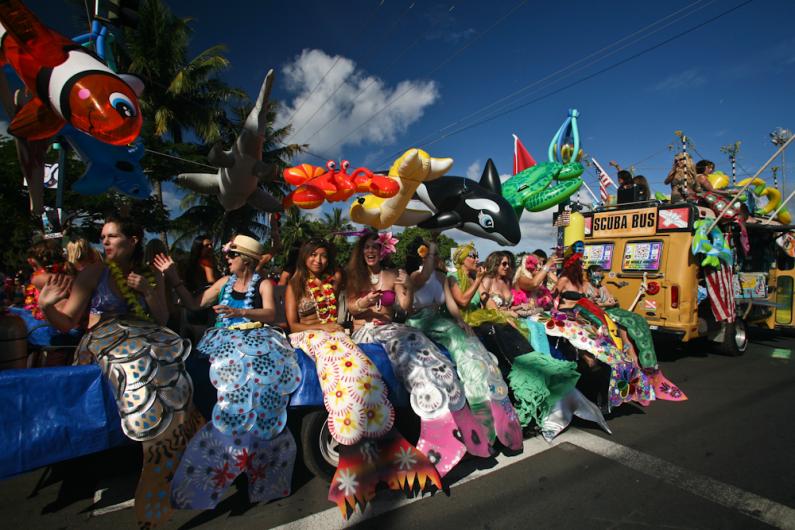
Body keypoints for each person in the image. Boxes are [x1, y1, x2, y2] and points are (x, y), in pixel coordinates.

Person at [37, 217, 197, 527]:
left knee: (172, 351)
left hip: (147, 334)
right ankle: (156, 447)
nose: (105, 243)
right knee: (135, 358)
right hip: (104, 340)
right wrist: (47, 308)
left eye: (112, 237)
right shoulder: (94, 272)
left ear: (133, 239)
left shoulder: (149, 274)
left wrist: (148, 292)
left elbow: (162, 318)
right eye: (103, 237)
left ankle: (173, 443)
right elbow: (68, 321)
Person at [285, 238, 441, 515]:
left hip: (334, 334)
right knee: (337, 370)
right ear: (304, 257)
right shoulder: (295, 284)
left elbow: (356, 277)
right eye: (313, 255)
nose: (319, 261)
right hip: (308, 336)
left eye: (323, 256)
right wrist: (326, 326)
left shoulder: (332, 281)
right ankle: (354, 448)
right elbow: (293, 323)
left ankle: (382, 442)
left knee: (362, 370)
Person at [155, 234, 302, 510]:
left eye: (232, 256)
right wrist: (173, 277)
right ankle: (225, 447)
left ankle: (256, 451)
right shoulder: (224, 283)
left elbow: (270, 313)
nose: (228, 259)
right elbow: (194, 303)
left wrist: (242, 315)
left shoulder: (264, 283)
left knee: (259, 383)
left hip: (255, 342)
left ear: (245, 260)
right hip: (223, 341)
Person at [347, 232, 486, 477]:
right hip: (365, 333)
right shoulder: (354, 276)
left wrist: (407, 288)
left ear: (383, 251)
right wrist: (364, 302)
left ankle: (458, 429)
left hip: (391, 329)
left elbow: (405, 307)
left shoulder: (392, 274)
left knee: (431, 356)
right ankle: (438, 431)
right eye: (367, 247)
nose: (371, 251)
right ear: (361, 251)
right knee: (411, 352)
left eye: (376, 247)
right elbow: (350, 307)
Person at [404, 237, 522, 451]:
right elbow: (422, 280)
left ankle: (489, 409)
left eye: (437, 253)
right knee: (458, 345)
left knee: (476, 352)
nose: (437, 257)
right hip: (419, 322)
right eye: (433, 253)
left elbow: (451, 304)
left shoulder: (441, 277)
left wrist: (460, 321)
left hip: (442, 322)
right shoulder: (415, 276)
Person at [449, 244, 580, 430]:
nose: (476, 258)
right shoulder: (453, 278)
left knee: (524, 330)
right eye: (472, 255)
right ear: (462, 258)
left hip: (489, 318)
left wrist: (507, 315)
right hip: (467, 321)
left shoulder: (476, 279)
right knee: (504, 335)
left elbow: (490, 306)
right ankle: (523, 381)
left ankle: (540, 370)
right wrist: (479, 281)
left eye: (477, 254)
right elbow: (462, 301)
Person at [584, 265, 687, 402]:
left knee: (637, 321)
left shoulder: (602, 287)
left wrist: (611, 302)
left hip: (610, 311)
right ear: (590, 275)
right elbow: (589, 305)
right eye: (596, 274)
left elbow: (611, 300)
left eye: (600, 274)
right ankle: (635, 372)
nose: (599, 277)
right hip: (599, 314)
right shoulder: (586, 286)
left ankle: (646, 366)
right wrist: (606, 305)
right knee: (626, 329)